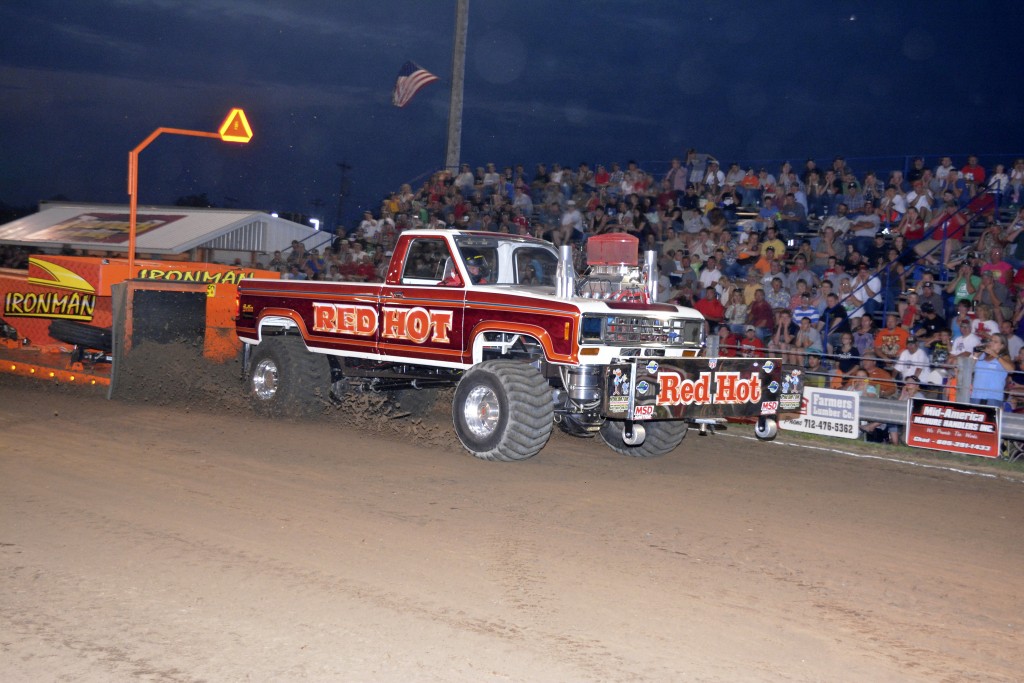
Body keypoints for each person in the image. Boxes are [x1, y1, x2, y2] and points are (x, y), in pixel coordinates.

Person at [970, 334, 1014, 407]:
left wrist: (996, 355)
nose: (991, 343)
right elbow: (969, 370)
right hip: (976, 395)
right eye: (990, 340)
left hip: (993, 397)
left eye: (995, 342)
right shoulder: (982, 355)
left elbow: (1011, 370)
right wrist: (975, 356)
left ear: (1002, 346)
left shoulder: (1004, 357)